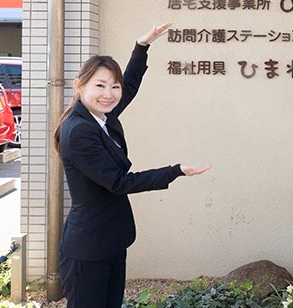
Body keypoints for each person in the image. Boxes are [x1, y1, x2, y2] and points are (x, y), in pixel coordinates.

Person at [53, 22, 211, 308]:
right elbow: (118, 182)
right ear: (80, 86)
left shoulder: (101, 116)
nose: (109, 93)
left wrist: (142, 47)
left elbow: (131, 85)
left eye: (113, 86)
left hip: (111, 241)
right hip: (88, 250)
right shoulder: (79, 131)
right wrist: (174, 171)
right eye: (99, 85)